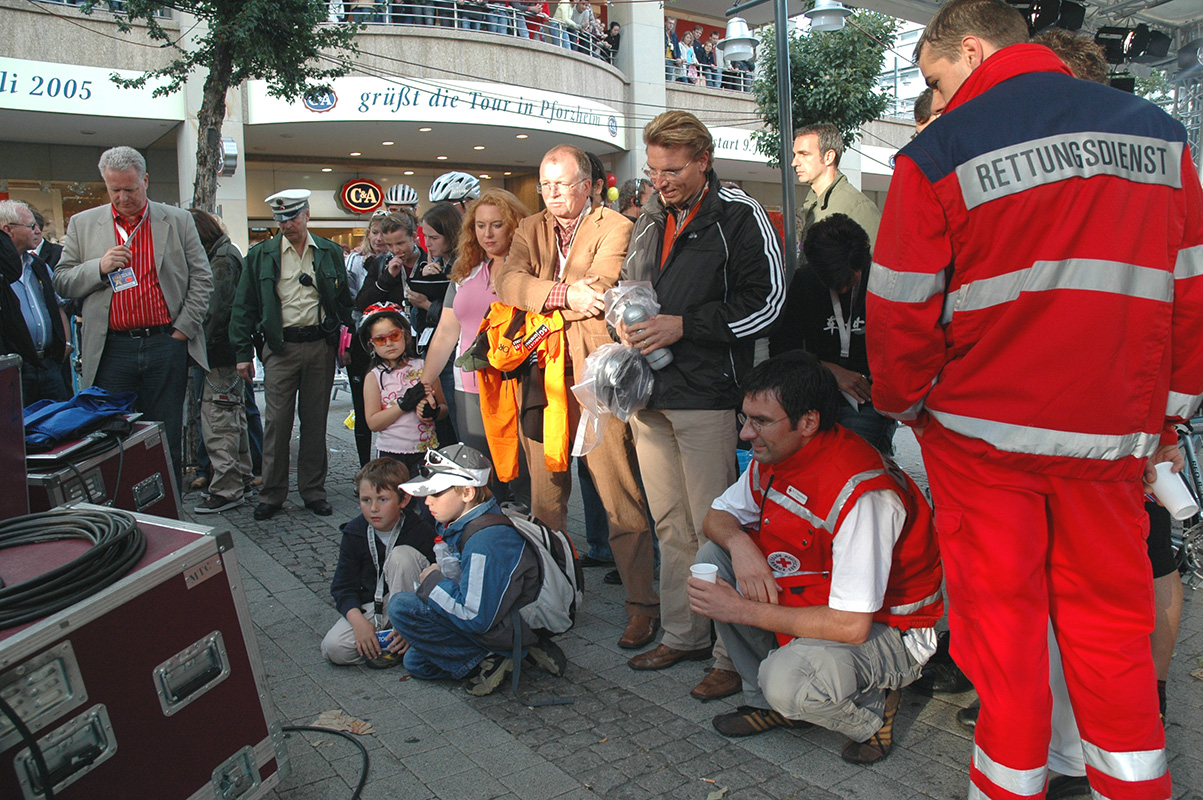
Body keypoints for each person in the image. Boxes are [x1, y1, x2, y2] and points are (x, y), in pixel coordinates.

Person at [867, 0, 1203, 796]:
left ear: (972, 50)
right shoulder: (1161, 137)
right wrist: (1166, 419)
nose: (938, 98)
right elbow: (1188, 294)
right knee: (1112, 641)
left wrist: (907, 405)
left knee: (1005, 644)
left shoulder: (938, 151)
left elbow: (898, 311)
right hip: (1108, 440)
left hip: (982, 442)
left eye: (937, 79)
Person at [689, 351, 943, 763]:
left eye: (761, 421)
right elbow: (716, 518)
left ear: (808, 422)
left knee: (788, 681)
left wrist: (739, 609)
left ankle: (872, 713)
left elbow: (851, 625)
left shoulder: (862, 493)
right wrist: (742, 547)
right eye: (745, 418)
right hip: (824, 601)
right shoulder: (780, 454)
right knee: (715, 557)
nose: (746, 434)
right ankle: (770, 703)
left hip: (891, 628)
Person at [617, 111, 785, 703]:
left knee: (716, 526)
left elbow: (768, 302)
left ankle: (730, 655)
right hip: (650, 392)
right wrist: (623, 318)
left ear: (703, 161)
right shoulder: (651, 215)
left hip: (709, 395)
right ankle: (683, 634)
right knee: (671, 524)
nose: (660, 181)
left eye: (672, 171)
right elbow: (630, 286)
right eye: (654, 170)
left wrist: (683, 325)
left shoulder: (739, 213)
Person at [495, 143, 660, 652]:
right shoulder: (529, 228)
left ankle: (642, 605)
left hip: (597, 379)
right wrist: (567, 294)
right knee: (546, 500)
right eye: (545, 184)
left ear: (586, 186)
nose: (551, 193)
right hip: (540, 379)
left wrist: (541, 294)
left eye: (561, 184)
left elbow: (604, 288)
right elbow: (508, 283)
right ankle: (552, 598)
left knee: (619, 496)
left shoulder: (615, 225)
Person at [54, 146, 212, 484]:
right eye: (115, 190)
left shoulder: (177, 220)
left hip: (165, 343)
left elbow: (202, 278)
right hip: (111, 349)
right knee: (111, 434)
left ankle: (169, 505)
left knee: (166, 433)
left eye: (130, 188)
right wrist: (99, 267)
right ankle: (122, 505)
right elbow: (62, 280)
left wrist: (182, 330)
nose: (122, 197)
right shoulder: (83, 224)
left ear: (146, 181)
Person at [387, 444, 564, 695]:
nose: (427, 501)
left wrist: (432, 582)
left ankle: (499, 654)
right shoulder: (468, 520)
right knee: (416, 662)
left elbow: (475, 616)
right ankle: (505, 652)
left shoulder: (485, 542)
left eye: (435, 493)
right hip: (499, 617)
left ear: (467, 493)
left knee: (401, 606)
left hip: (502, 623)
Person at [230, 189, 353, 521]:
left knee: (315, 422)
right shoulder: (261, 255)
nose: (287, 224)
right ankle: (272, 494)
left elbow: (342, 300)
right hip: (279, 348)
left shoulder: (328, 251)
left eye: (293, 217)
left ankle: (313, 491)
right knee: (277, 423)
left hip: (319, 346)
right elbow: (244, 306)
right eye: (280, 219)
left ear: (307, 215)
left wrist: (346, 342)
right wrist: (242, 352)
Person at [420, 189, 532, 464]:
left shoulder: (531, 268)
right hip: (468, 384)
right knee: (478, 468)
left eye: (497, 225)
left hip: (517, 383)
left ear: (514, 225)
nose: (487, 234)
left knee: (521, 472)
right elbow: (446, 332)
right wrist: (425, 383)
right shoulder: (465, 269)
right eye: (480, 225)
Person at [770, 214, 896, 456]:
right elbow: (783, 347)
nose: (845, 288)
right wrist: (829, 370)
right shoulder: (806, 281)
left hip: (867, 396)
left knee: (854, 456)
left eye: (851, 279)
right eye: (837, 284)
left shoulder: (883, 280)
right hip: (815, 389)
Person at [321, 458, 437, 668]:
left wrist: (410, 622)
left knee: (401, 556)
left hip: (413, 605)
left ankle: (407, 632)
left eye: (382, 499)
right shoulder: (355, 533)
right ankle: (391, 644)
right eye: (366, 500)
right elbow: (343, 587)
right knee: (335, 648)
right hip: (375, 607)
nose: (373, 508)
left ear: (404, 500)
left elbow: (436, 582)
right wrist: (359, 624)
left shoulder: (420, 531)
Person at [189, 209, 252, 514]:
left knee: (219, 421)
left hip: (218, 353)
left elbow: (215, 311)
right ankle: (240, 479)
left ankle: (227, 488)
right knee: (231, 418)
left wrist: (194, 345)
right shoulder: (223, 254)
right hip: (225, 352)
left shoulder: (222, 260)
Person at [351, 210, 426, 467]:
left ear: (414, 237)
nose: (396, 250)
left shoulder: (429, 260)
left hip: (424, 346)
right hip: (392, 348)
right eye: (390, 244)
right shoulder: (382, 263)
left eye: (401, 243)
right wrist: (386, 279)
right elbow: (362, 302)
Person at [361, 302, 446, 474]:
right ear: (371, 345)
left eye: (394, 336)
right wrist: (403, 405)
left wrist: (434, 412)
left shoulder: (424, 367)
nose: (388, 343)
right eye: (380, 339)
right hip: (390, 453)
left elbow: (444, 407)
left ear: (405, 335)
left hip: (425, 451)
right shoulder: (373, 377)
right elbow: (373, 423)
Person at [0, 200, 71, 405]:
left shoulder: (38, 265)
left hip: (49, 364)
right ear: (8, 230)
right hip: (14, 369)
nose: (38, 231)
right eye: (31, 226)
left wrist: (66, 343)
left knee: (58, 418)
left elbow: (57, 306)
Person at [792, 123, 881, 258]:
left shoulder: (857, 206)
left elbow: (877, 264)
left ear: (829, 157)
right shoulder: (813, 202)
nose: (794, 162)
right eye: (795, 154)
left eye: (804, 154)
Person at [417, 202, 461, 445]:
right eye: (425, 236)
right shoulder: (437, 263)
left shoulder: (462, 265)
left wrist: (426, 304)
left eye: (433, 237)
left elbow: (457, 317)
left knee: (456, 418)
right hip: (437, 350)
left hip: (454, 353)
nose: (428, 243)